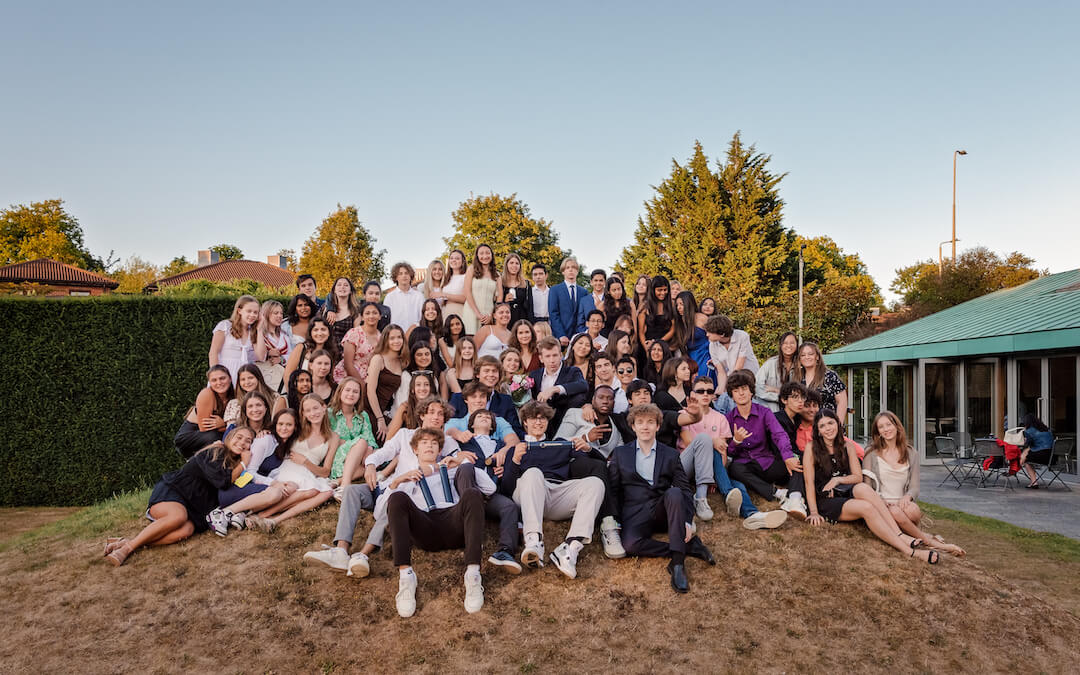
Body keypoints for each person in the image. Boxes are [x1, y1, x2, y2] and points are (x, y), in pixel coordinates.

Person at [303, 398, 457, 579]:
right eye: (431, 412)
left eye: (440, 414)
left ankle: (364, 554)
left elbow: (456, 464)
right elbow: (384, 452)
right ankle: (341, 551)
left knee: (396, 498)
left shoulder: (448, 443)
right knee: (352, 491)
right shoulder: (405, 435)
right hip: (386, 487)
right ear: (422, 415)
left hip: (410, 496)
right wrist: (370, 465)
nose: (436, 417)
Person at [105, 426, 256, 566]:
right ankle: (127, 549)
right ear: (229, 437)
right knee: (178, 516)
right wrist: (244, 463)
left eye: (248, 441)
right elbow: (223, 482)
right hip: (176, 492)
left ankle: (128, 542)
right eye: (239, 437)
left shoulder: (233, 464)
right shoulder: (216, 451)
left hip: (195, 506)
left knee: (187, 530)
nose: (242, 442)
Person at [804, 409, 938, 564]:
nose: (828, 428)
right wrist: (813, 512)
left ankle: (899, 534)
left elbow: (857, 477)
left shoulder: (847, 446)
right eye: (822, 426)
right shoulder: (811, 448)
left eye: (830, 423)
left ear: (837, 424)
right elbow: (808, 483)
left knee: (862, 488)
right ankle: (910, 552)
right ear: (818, 431)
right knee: (866, 508)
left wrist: (838, 480)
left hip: (844, 491)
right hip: (826, 499)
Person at [384, 428, 493, 617]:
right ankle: (406, 577)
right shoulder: (406, 476)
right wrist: (397, 482)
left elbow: (490, 488)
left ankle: (473, 575)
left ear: (440, 450)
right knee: (397, 498)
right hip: (425, 525)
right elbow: (382, 511)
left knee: (473, 494)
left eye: (434, 443)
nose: (429, 446)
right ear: (415, 449)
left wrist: (462, 462)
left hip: (453, 520)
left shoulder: (452, 469)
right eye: (424, 442)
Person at [608, 404, 715, 593]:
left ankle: (678, 563)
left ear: (658, 426)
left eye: (650, 422)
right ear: (633, 426)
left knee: (674, 493)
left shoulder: (671, 454)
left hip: (662, 509)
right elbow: (614, 490)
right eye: (640, 422)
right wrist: (615, 519)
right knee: (630, 545)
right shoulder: (620, 453)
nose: (645, 427)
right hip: (634, 511)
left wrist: (687, 521)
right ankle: (690, 547)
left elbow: (685, 489)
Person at [500, 401, 606, 578]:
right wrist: (515, 461)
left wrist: (589, 448)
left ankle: (570, 549)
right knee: (534, 473)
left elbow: (600, 464)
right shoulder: (515, 449)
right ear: (525, 422)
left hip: (556, 494)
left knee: (595, 483)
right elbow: (506, 488)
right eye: (533, 418)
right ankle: (534, 542)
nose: (538, 423)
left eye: (543, 419)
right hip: (528, 494)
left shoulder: (560, 444)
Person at [679, 378, 786, 529]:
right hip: (688, 467)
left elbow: (723, 452)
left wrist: (717, 474)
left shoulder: (720, 418)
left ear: (713, 395)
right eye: (700, 391)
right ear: (692, 393)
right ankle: (712, 494)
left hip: (712, 467)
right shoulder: (684, 414)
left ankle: (752, 514)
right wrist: (713, 441)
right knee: (710, 444)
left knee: (737, 484)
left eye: (709, 391)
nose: (705, 394)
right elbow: (690, 442)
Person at [863, 411, 965, 556]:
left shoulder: (911, 452)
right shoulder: (871, 454)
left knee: (913, 510)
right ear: (878, 432)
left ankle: (913, 535)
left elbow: (915, 486)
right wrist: (880, 500)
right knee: (895, 512)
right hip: (881, 503)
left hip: (902, 503)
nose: (886, 429)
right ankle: (932, 543)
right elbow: (866, 487)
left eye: (889, 424)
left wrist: (908, 497)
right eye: (881, 427)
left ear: (897, 426)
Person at [245, 395, 337, 532]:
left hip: (308, 471)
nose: (313, 413)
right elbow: (280, 432)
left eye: (316, 408)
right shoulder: (299, 430)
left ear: (324, 408)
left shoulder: (333, 437)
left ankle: (271, 519)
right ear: (304, 414)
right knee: (312, 490)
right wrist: (265, 431)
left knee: (327, 492)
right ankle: (262, 514)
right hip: (287, 468)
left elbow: (326, 471)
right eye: (308, 410)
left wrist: (306, 462)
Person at [724, 369, 801, 509]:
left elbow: (779, 434)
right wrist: (736, 441)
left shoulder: (764, 412)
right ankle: (777, 493)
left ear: (751, 392)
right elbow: (729, 452)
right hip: (747, 467)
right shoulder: (728, 418)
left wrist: (788, 456)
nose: (741, 393)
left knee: (796, 462)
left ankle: (796, 499)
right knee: (735, 469)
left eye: (744, 389)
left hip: (768, 462)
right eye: (736, 390)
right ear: (732, 395)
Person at [449, 357, 525, 438]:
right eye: (486, 371)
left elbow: (516, 430)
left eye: (494, 371)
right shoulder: (458, 398)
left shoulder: (505, 401)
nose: (491, 374)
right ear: (477, 374)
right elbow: (448, 426)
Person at [529, 336, 589, 431]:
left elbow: (583, 385)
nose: (552, 360)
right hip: (540, 426)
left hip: (566, 424)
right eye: (548, 356)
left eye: (555, 355)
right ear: (541, 358)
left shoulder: (572, 371)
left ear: (561, 355)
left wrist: (555, 389)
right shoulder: (534, 375)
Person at [174, 366, 233, 459]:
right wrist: (225, 425)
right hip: (188, 438)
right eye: (214, 380)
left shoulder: (233, 395)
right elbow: (204, 428)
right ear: (210, 383)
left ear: (230, 379)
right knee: (217, 437)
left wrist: (223, 425)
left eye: (222, 378)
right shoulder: (207, 394)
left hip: (212, 434)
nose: (219, 383)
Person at [327, 377, 378, 483]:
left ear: (359, 396)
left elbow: (371, 439)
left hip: (359, 458)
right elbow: (328, 438)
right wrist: (357, 446)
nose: (351, 394)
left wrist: (368, 451)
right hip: (338, 458)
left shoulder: (362, 415)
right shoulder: (329, 414)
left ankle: (339, 482)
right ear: (340, 391)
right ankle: (344, 484)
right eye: (347, 390)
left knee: (377, 453)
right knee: (362, 442)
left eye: (355, 392)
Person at [706, 314, 759, 413]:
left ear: (721, 334)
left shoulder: (742, 336)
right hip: (731, 378)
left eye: (710, 332)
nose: (707, 335)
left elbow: (739, 366)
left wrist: (728, 386)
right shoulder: (712, 345)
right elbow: (721, 371)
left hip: (749, 376)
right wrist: (720, 390)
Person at [365, 325, 410, 442]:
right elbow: (370, 391)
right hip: (369, 408)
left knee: (398, 436)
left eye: (399, 337)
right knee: (382, 438)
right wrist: (380, 418)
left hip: (385, 410)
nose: (396, 341)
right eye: (392, 338)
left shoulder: (402, 361)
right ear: (386, 340)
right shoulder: (378, 359)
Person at [209, 294, 259, 383]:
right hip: (225, 372)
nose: (252, 315)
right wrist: (217, 376)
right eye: (249, 311)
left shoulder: (253, 331)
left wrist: (261, 326)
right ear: (239, 310)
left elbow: (259, 356)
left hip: (244, 376)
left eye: (255, 312)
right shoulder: (225, 326)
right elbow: (213, 352)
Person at [284, 317, 338, 391]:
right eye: (316, 330)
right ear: (310, 332)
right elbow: (288, 374)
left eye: (323, 329)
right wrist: (292, 396)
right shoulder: (302, 348)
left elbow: (330, 378)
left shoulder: (331, 352)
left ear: (329, 332)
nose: (319, 333)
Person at [334, 301, 382, 384]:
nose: (371, 316)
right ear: (362, 317)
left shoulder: (381, 337)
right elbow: (347, 364)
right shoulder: (354, 333)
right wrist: (361, 385)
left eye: (375, 313)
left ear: (380, 316)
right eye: (367, 313)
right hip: (349, 377)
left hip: (370, 378)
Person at [796, 341, 847, 415]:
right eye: (803, 355)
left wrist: (838, 424)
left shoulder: (830, 376)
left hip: (826, 423)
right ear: (799, 359)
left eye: (810, 354)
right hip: (803, 424)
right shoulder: (797, 378)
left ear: (817, 356)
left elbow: (842, 402)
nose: (807, 357)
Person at [462, 244, 501, 334]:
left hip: (488, 314)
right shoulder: (471, 269)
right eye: (481, 253)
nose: (485, 256)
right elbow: (467, 292)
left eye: (488, 253)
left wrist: (492, 315)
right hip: (472, 312)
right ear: (477, 256)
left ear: (491, 255)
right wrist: (478, 314)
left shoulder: (497, 274)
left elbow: (499, 297)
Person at [547, 256, 586, 345]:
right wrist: (561, 334)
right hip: (560, 337)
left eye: (573, 267)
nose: (571, 270)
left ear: (577, 271)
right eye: (568, 268)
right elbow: (553, 314)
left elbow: (583, 315)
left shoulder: (584, 292)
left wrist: (581, 334)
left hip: (579, 337)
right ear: (563, 271)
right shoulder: (555, 290)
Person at [756, 332, 798, 411]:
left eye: (792, 343)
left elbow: (800, 393)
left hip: (794, 411)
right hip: (771, 410)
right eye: (785, 343)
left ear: (797, 345)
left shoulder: (800, 366)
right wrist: (781, 397)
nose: (789, 345)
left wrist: (777, 390)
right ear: (781, 345)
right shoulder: (770, 363)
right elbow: (757, 387)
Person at [254, 300, 290, 392]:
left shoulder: (285, 335)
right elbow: (250, 354)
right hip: (263, 375)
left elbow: (292, 354)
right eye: (275, 313)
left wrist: (281, 359)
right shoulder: (257, 334)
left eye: (281, 313)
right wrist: (267, 353)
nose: (279, 316)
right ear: (266, 314)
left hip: (281, 376)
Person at [636, 276, 675, 358]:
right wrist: (647, 347)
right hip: (648, 346)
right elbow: (641, 332)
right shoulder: (645, 306)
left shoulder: (671, 305)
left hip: (665, 346)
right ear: (653, 290)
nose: (663, 293)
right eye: (659, 290)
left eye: (665, 290)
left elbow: (673, 329)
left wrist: (658, 343)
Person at [674, 291, 710, 376]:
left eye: (681, 304)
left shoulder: (701, 318)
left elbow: (714, 337)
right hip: (691, 358)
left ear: (688, 304)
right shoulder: (679, 322)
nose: (678, 307)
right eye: (677, 305)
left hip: (705, 355)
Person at [383, 262, 426, 330]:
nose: (404, 276)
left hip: (415, 335)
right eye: (400, 274)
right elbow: (386, 320)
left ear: (410, 276)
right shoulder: (389, 297)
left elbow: (422, 318)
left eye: (406, 273)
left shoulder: (419, 296)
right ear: (396, 277)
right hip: (396, 336)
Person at [322, 277, 361, 351]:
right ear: (334, 290)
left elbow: (356, 337)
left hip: (345, 353)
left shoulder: (355, 311)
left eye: (346, 285)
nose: (342, 287)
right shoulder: (325, 308)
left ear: (350, 291)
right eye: (339, 285)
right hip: (325, 353)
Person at [1020, 413, 1055, 489]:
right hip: (1052, 457)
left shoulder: (1029, 431)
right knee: (1029, 456)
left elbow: (1027, 445)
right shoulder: (1047, 430)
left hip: (1041, 456)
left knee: (1026, 460)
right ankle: (1034, 481)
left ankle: (1034, 482)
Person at [499, 253, 529, 325]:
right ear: (506, 265)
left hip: (522, 321)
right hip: (505, 321)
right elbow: (496, 304)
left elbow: (529, 307)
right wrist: (505, 300)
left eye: (517, 263)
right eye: (511, 263)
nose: (514, 266)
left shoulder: (526, 284)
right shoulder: (500, 283)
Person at [575, 268, 607, 334]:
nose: (598, 283)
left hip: (606, 338)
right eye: (595, 280)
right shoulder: (584, 301)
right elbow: (580, 323)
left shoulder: (610, 299)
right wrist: (587, 336)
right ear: (591, 282)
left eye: (601, 280)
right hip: (588, 338)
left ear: (605, 282)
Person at [440, 250, 469, 323]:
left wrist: (444, 295)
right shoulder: (446, 278)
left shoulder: (465, 277)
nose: (454, 260)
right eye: (451, 258)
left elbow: (465, 298)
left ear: (463, 262)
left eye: (457, 258)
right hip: (446, 311)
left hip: (459, 311)